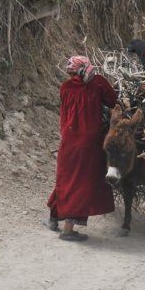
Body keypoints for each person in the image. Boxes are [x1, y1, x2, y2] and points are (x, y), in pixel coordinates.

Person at [45, 55, 117, 241]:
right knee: (81, 183)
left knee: (65, 179)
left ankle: (53, 219)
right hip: (90, 143)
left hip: (68, 141)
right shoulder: (98, 83)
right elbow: (112, 100)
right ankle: (68, 229)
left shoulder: (65, 88)